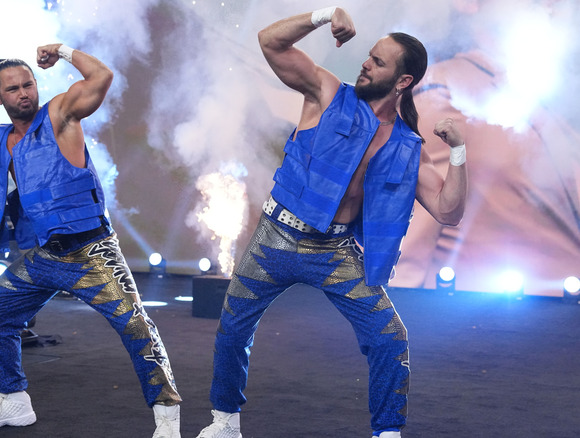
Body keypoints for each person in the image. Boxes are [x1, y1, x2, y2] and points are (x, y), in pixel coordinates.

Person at [196, 7, 467, 438]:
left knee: (390, 339)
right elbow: (271, 41)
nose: (365, 63)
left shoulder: (406, 146)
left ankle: (387, 433)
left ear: (403, 82)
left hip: (334, 253)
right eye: (369, 56)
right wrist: (323, 16)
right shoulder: (326, 92)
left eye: (378, 62)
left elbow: (449, 211)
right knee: (233, 328)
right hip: (276, 238)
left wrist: (458, 152)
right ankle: (225, 423)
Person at [0, 43, 182, 437]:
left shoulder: (59, 116)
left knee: (137, 327)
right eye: (13, 89)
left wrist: (65, 51)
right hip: (44, 258)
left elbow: (101, 78)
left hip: (92, 252)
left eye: (28, 84)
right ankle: (14, 403)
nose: (24, 93)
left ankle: (167, 419)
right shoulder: (1, 141)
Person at [391, 0, 580, 296]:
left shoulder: (545, 106)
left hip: (552, 328)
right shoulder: (441, 91)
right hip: (489, 328)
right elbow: (402, 259)